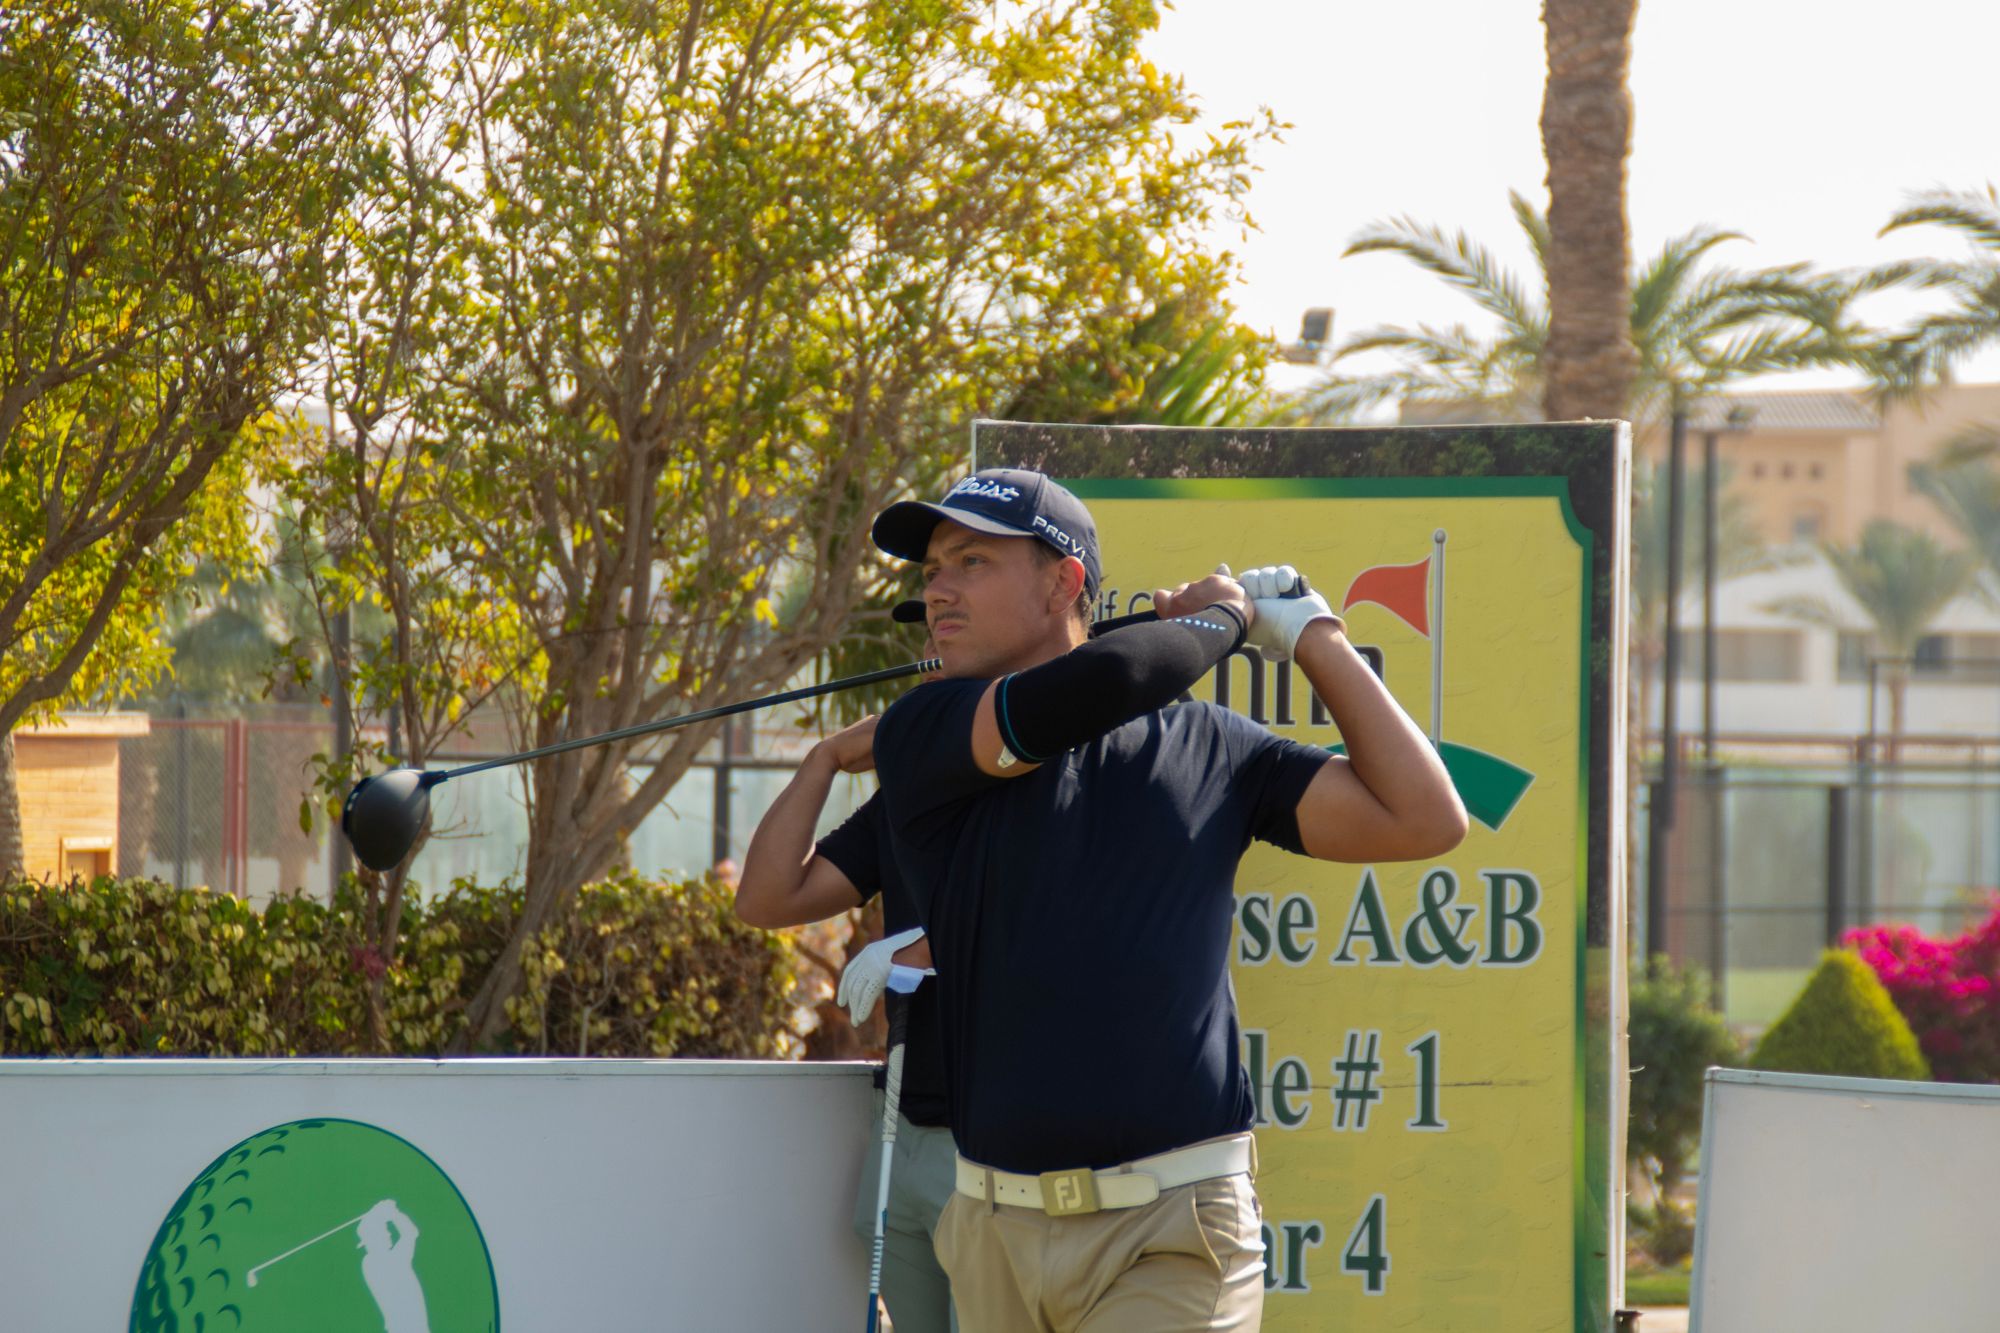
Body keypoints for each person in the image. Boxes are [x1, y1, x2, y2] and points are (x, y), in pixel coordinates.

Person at [863, 468, 1468, 1332]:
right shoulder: (923, 732)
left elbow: (1425, 817)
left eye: (971, 561)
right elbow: (1090, 689)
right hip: (993, 1232)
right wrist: (1225, 619)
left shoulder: (1212, 745)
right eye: (930, 570)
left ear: (1063, 583)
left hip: (1174, 1230)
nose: (937, 590)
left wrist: (1313, 634)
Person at [735, 684, 959, 1333]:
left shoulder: (1056, 771)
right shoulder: (911, 797)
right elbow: (765, 898)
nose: (938, 648)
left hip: (996, 1146)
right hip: (905, 1130)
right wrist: (825, 758)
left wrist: (924, 946)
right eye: (930, 640)